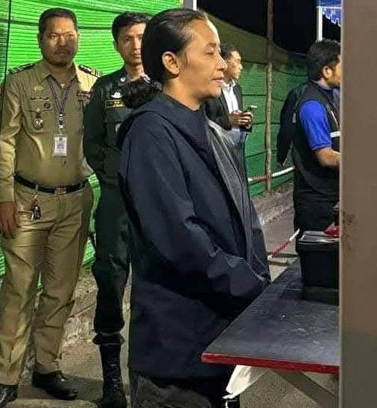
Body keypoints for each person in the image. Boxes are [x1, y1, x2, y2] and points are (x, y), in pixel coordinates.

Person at [116, 9, 270, 408]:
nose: (222, 64)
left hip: (221, 339)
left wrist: (259, 280)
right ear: (172, 62)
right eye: (210, 52)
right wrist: (250, 285)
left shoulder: (213, 131)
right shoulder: (150, 132)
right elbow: (180, 240)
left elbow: (245, 219)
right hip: (177, 357)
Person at [0, 8, 100, 408]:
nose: (63, 42)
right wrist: (3, 197)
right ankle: (4, 378)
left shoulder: (93, 83)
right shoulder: (20, 82)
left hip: (76, 199)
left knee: (60, 290)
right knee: (18, 288)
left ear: (78, 37)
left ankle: (47, 367)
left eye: (70, 35)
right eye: (54, 35)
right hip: (26, 200)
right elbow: (4, 142)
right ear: (40, 39)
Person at [83, 11, 148, 408]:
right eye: (127, 38)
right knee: (109, 283)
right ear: (116, 44)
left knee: (154, 289)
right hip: (116, 204)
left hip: (157, 205)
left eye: (142, 37)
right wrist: (114, 177)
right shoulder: (105, 89)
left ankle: (145, 377)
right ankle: (112, 382)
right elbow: (92, 144)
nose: (136, 46)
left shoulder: (167, 84)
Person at [292, 39, 341, 232]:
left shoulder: (331, 97)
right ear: (327, 71)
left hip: (330, 196)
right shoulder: (312, 105)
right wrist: (360, 164)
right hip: (317, 206)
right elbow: (325, 156)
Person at [203, 43, 252, 144]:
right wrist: (229, 120)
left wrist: (245, 121)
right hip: (218, 145)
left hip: (238, 144)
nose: (241, 67)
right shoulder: (210, 89)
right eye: (237, 62)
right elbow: (204, 122)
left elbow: (238, 121)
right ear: (224, 63)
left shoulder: (237, 89)